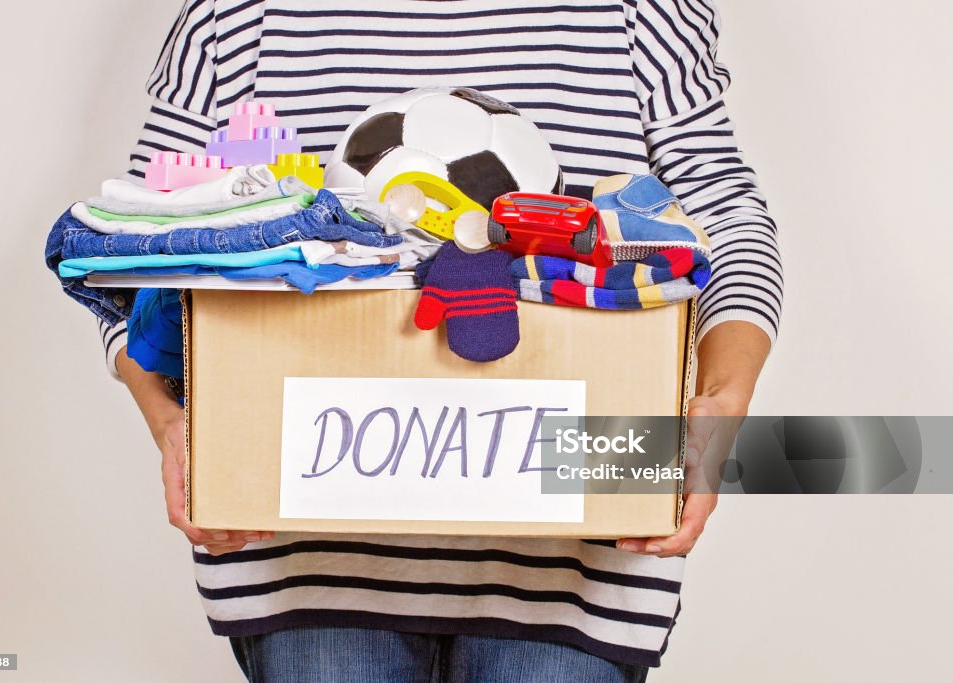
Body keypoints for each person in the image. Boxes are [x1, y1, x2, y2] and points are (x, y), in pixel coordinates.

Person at [102, 1, 782, 680]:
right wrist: (174, 422)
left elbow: (724, 214)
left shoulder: (643, 14)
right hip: (308, 566)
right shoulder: (237, 16)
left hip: (581, 571)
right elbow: (130, 239)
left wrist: (720, 404)